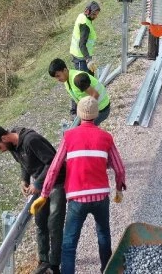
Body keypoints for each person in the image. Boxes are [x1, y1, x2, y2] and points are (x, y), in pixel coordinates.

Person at [30, 96, 126, 274]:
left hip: (77, 199)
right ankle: (106, 269)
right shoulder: (106, 137)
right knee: (104, 235)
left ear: (79, 114)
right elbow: (119, 168)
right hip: (101, 197)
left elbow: (54, 168)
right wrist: (119, 189)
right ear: (97, 115)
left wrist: (44, 194)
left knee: (69, 244)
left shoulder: (69, 136)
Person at [0, 126, 66, 274]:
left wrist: (38, 182)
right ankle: (44, 261)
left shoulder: (31, 140)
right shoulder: (13, 146)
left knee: (54, 225)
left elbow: (53, 162)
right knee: (41, 223)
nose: (1, 151)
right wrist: (24, 179)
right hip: (41, 187)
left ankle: (55, 265)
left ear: (4, 138)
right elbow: (24, 163)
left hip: (57, 184)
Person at [48, 58, 111, 125]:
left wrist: (86, 114)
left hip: (102, 109)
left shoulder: (78, 79)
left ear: (65, 70)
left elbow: (95, 95)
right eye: (55, 77)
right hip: (94, 107)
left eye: (58, 76)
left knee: (85, 130)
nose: (57, 79)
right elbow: (77, 97)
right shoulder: (67, 80)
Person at [70, 1, 100, 75]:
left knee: (91, 78)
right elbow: (82, 44)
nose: (95, 17)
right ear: (88, 11)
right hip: (81, 58)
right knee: (84, 81)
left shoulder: (82, 16)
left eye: (96, 14)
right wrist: (88, 59)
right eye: (94, 14)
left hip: (84, 55)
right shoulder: (85, 25)